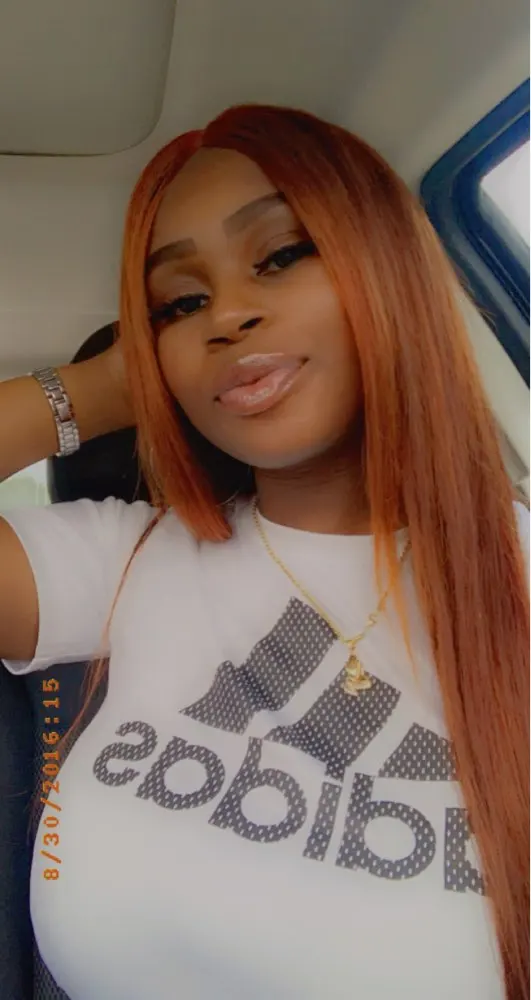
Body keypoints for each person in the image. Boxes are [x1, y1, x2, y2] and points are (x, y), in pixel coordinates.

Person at [0, 103, 528, 1000]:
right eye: (180, 303)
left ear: (387, 266)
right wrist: (103, 387)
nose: (228, 315)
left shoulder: (514, 572)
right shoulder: (130, 557)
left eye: (280, 255)